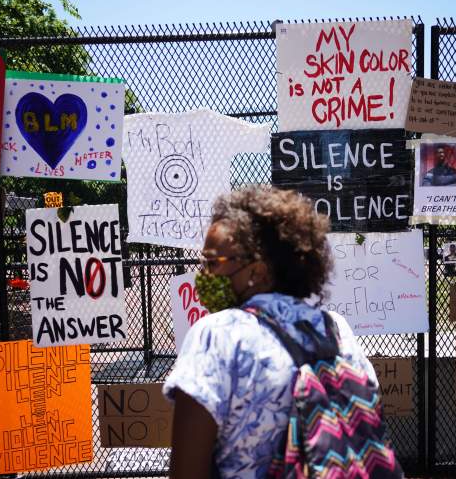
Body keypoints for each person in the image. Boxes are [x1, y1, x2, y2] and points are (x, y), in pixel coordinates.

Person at [164, 186, 383, 479]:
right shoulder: (335, 329)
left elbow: (186, 472)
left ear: (256, 273)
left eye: (212, 263)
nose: (203, 274)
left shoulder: (216, 335)